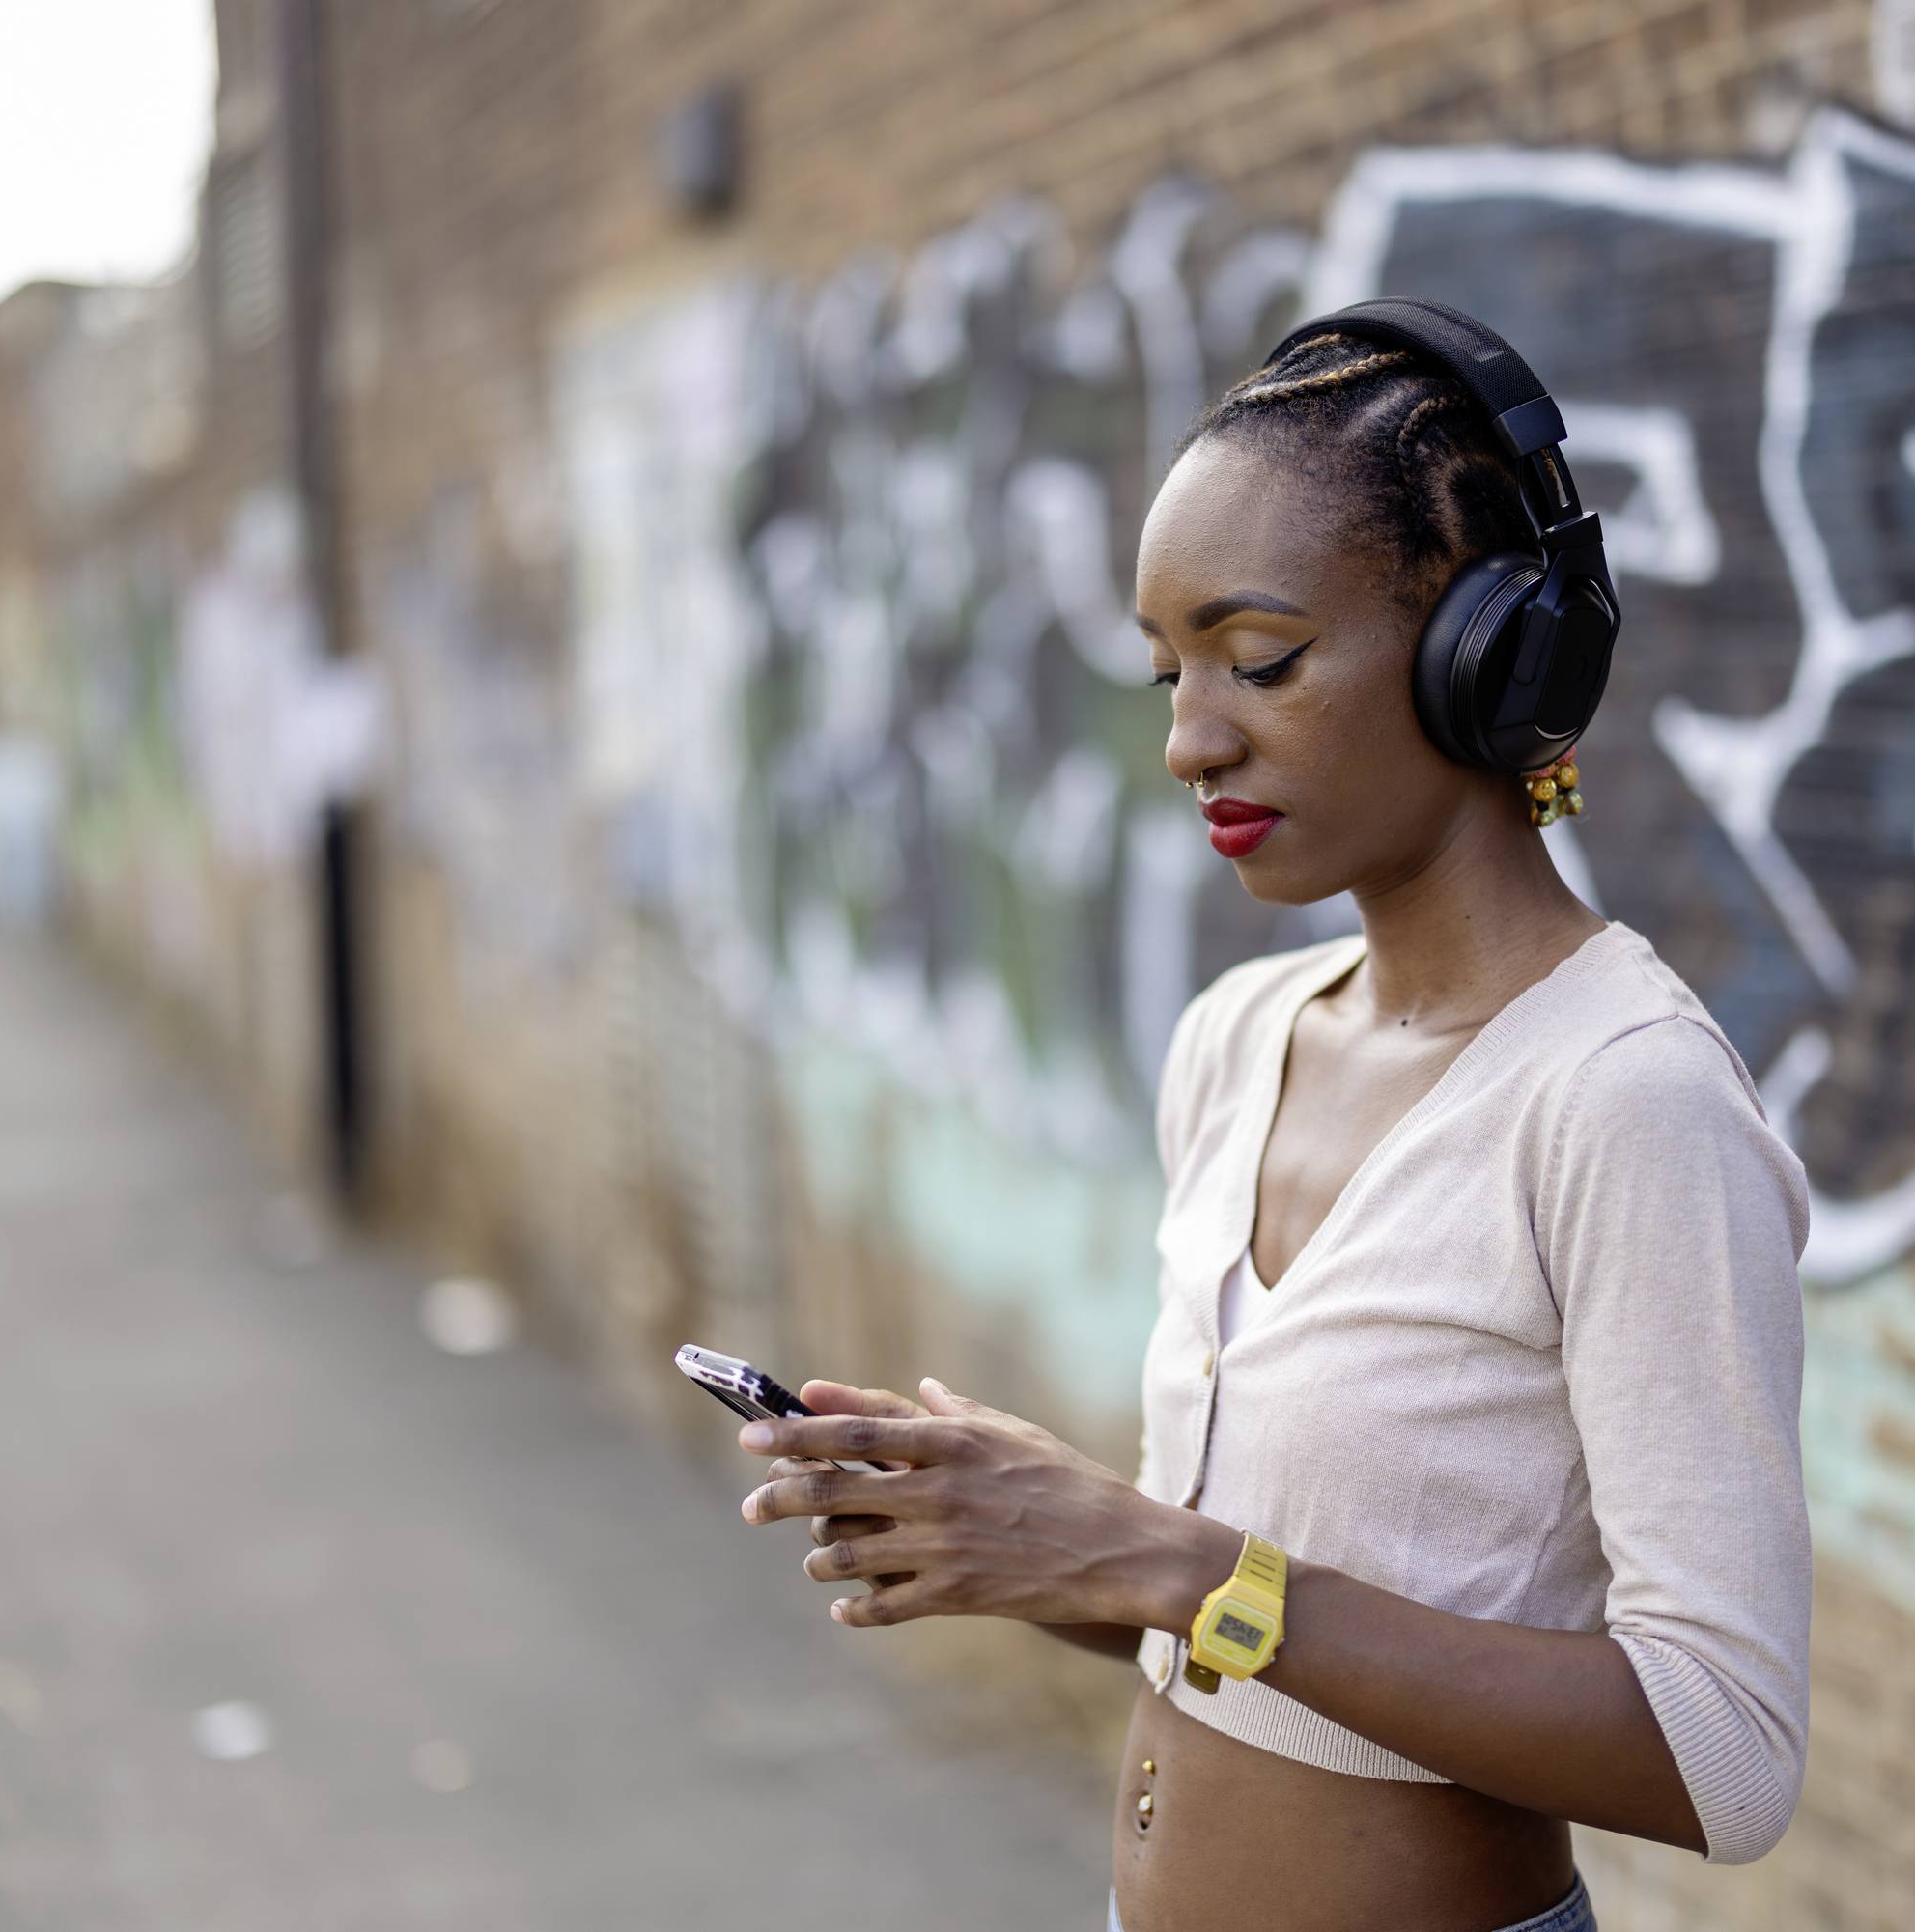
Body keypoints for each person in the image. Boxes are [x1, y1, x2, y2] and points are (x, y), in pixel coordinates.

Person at [735, 316, 1813, 1932]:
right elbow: (1246, 1629)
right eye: (1171, 671)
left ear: (1488, 649)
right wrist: (1032, 1532)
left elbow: (1721, 1749)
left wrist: (1178, 1563)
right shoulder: (1234, 1042)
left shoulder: (1623, 1094)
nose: (1190, 739)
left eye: (1262, 657)